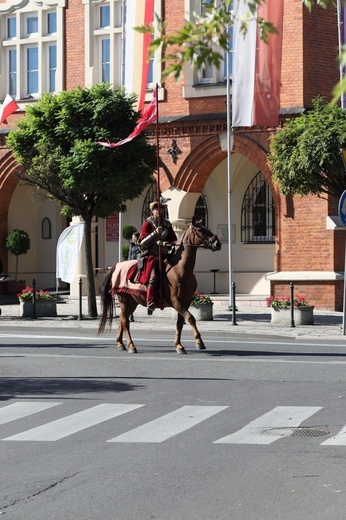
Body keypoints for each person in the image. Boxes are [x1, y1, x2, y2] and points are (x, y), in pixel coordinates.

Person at [139, 198, 178, 313]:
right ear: (152, 211)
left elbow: (173, 239)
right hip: (152, 255)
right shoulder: (147, 223)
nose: (159, 211)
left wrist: (167, 243)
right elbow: (142, 242)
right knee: (154, 276)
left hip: (165, 254)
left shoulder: (167, 224)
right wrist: (154, 234)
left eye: (161, 208)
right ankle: (150, 300)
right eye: (156, 209)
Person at [127, 232, 140, 322]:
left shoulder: (140, 245)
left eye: (134, 237)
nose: (133, 238)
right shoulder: (131, 245)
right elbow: (129, 255)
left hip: (138, 264)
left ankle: (131, 315)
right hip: (131, 265)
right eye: (132, 237)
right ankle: (130, 315)